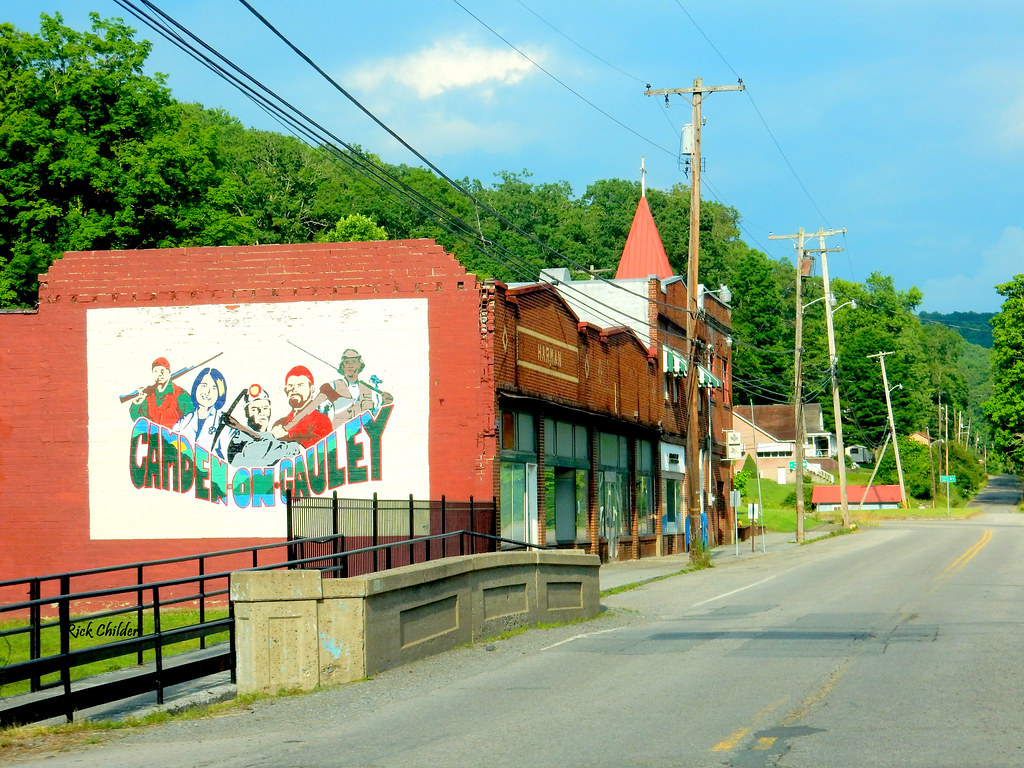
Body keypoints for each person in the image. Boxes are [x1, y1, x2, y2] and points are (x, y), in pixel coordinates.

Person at [225, 384, 302, 467]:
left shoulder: (271, 439)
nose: (261, 412)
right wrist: (272, 436)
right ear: (247, 413)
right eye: (254, 409)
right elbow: (255, 458)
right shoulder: (240, 440)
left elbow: (295, 450)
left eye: (265, 408)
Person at [319, 349, 393, 428]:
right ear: (343, 366)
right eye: (347, 362)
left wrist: (384, 401)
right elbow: (321, 411)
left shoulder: (371, 392)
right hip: (339, 437)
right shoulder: (333, 386)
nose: (350, 365)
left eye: (354, 362)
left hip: (362, 437)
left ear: (359, 365)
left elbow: (385, 406)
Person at [172, 367, 231, 460]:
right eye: (204, 385)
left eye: (214, 388)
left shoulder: (225, 423)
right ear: (196, 388)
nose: (208, 392)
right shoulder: (183, 421)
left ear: (220, 393)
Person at [271, 366, 333, 448]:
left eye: (300, 385)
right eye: (290, 386)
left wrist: (287, 436)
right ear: (286, 390)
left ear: (312, 389)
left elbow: (320, 450)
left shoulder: (321, 420)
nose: (294, 390)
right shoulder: (281, 422)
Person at [128, 357, 193, 429]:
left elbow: (192, 418)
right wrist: (136, 404)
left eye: (162, 370)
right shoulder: (148, 396)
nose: (160, 374)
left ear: (169, 373)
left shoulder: (180, 394)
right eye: (156, 371)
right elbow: (138, 420)